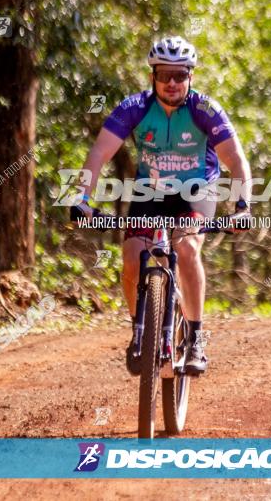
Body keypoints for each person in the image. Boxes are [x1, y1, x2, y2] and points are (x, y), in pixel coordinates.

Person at [70, 36, 252, 376]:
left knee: (186, 249)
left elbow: (235, 159)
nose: (172, 83)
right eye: (164, 75)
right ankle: (140, 328)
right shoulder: (134, 107)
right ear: (152, 76)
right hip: (150, 191)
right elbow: (99, 154)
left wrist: (243, 205)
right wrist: (82, 199)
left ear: (190, 77)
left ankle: (196, 338)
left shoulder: (205, 110)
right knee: (132, 257)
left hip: (196, 190)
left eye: (179, 75)